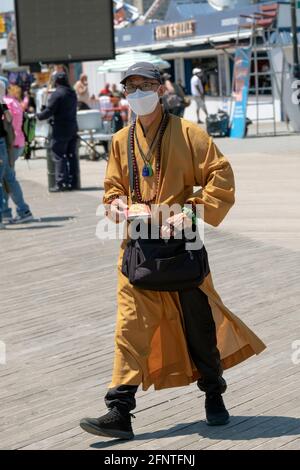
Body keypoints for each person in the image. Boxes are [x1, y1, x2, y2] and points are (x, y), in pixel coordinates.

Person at [79, 62, 266, 440]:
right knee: (130, 328)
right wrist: (114, 203)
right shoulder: (120, 141)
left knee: (198, 324)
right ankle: (120, 409)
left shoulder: (188, 133)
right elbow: (113, 188)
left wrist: (191, 212)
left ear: (160, 89)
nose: (137, 94)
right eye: (130, 88)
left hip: (182, 245)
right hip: (139, 250)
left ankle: (214, 394)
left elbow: (220, 175)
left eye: (144, 86)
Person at [37, 72, 78, 191]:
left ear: (56, 82)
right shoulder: (72, 93)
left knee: (59, 155)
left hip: (60, 129)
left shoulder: (57, 94)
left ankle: (60, 183)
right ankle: (74, 182)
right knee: (72, 156)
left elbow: (49, 111)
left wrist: (39, 115)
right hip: (72, 127)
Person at [0, 81, 33, 226]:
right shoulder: (12, 102)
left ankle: (7, 213)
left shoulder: (6, 102)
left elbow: (8, 123)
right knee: (8, 177)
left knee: (6, 179)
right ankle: (17, 211)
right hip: (14, 142)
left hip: (8, 144)